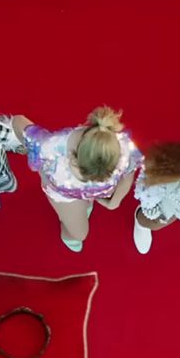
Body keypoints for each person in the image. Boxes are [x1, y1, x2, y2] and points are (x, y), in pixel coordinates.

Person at [12, 106, 143, 252]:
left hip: (86, 195)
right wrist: (32, 152)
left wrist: (115, 202)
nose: (94, 181)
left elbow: (129, 171)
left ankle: (85, 205)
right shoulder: (50, 148)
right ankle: (68, 231)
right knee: (79, 234)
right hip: (66, 197)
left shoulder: (122, 147)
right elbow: (18, 121)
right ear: (73, 157)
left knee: (85, 208)